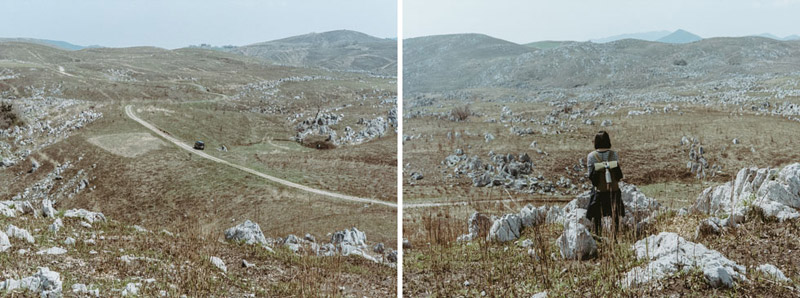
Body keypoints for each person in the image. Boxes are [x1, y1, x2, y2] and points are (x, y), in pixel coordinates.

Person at [585, 131, 625, 239]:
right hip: (613, 191)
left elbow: (591, 176)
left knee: (597, 217)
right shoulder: (614, 155)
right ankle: (615, 236)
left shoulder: (591, 156)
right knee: (615, 215)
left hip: (599, 193)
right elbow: (618, 175)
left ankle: (598, 236)